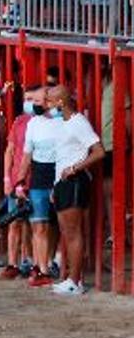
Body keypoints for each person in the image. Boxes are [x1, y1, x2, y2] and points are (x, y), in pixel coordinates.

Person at [44, 85, 105, 296]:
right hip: (62, 183)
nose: (47, 105)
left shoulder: (79, 123)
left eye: (50, 101)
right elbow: (62, 155)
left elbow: (98, 151)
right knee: (66, 232)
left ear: (61, 101)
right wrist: (55, 186)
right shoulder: (63, 123)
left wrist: (74, 168)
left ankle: (75, 281)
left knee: (73, 233)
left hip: (74, 182)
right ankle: (70, 278)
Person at [17, 88, 62, 287]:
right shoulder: (33, 123)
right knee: (39, 225)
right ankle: (42, 268)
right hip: (38, 178)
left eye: (38, 100)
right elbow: (27, 154)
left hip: (60, 176)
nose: (34, 104)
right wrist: (19, 181)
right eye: (32, 100)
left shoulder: (62, 121)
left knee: (59, 225)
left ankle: (56, 262)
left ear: (49, 101)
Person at [0, 87, 40, 280]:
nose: (28, 103)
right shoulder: (19, 121)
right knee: (14, 222)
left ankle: (35, 263)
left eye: (32, 99)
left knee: (37, 224)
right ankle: (12, 264)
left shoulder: (44, 123)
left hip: (37, 181)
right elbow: (10, 150)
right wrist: (7, 178)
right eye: (26, 99)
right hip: (16, 181)